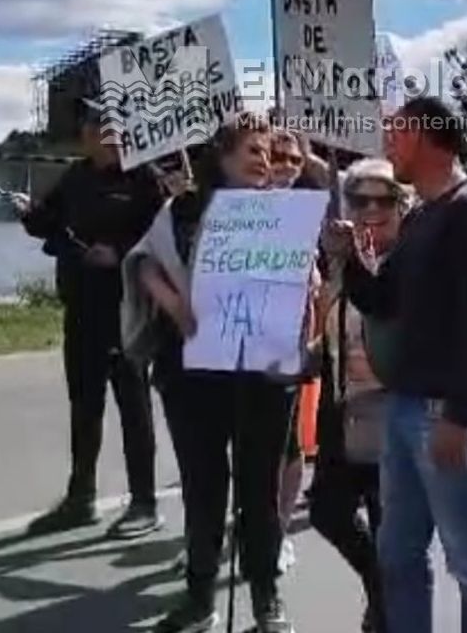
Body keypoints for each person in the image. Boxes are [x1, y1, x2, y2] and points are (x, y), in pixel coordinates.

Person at [326, 96, 467, 633]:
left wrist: (459, 415)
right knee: (399, 555)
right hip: (403, 405)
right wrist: (348, 258)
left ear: (428, 136)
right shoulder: (426, 215)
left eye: (396, 131)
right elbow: (386, 300)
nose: (387, 142)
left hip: (446, 410)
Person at [123, 114, 298, 633]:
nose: (265, 158)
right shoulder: (182, 210)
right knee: (203, 487)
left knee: (259, 489)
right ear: (222, 155)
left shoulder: (280, 213)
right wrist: (175, 305)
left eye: (270, 151)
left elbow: (303, 281)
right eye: (253, 149)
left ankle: (266, 599)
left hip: (262, 371)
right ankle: (200, 597)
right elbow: (144, 261)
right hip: (192, 368)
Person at [14, 97, 166, 540]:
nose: (102, 134)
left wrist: (117, 253)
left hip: (127, 309)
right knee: (84, 405)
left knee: (132, 406)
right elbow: (49, 223)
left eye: (111, 127)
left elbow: (161, 237)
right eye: (95, 126)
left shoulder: (145, 180)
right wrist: (29, 214)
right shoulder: (76, 177)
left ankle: (144, 502)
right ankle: (80, 498)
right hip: (80, 307)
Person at [315, 158, 407, 633]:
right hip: (343, 404)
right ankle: (383, 590)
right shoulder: (335, 255)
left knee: (388, 524)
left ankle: (389, 609)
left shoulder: (409, 261)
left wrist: (353, 262)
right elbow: (320, 330)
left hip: (392, 410)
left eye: (384, 200)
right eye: (359, 199)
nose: (371, 209)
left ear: (401, 206)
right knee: (327, 511)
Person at [269, 126, 327, 575]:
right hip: (239, 347)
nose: (287, 166)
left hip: (290, 346)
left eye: (294, 159)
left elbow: (315, 284)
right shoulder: (232, 203)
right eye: (278, 156)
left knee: (289, 447)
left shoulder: (307, 211)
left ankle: (279, 532)